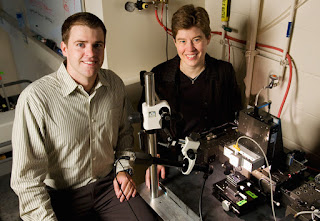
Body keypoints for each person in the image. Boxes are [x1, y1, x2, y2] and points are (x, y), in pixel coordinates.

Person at [11, 12, 156, 221]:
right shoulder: (35, 99)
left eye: (97, 45)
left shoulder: (114, 84)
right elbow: (26, 181)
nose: (91, 53)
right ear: (64, 48)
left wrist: (124, 170)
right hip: (62, 197)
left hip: (108, 186)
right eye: (81, 44)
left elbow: (125, 135)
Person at [141, 4, 242, 188]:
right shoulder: (159, 76)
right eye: (182, 41)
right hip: (172, 163)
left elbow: (236, 119)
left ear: (208, 38)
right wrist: (154, 159)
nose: (190, 49)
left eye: (196, 39)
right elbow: (148, 128)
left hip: (215, 163)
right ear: (174, 42)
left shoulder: (224, 72)